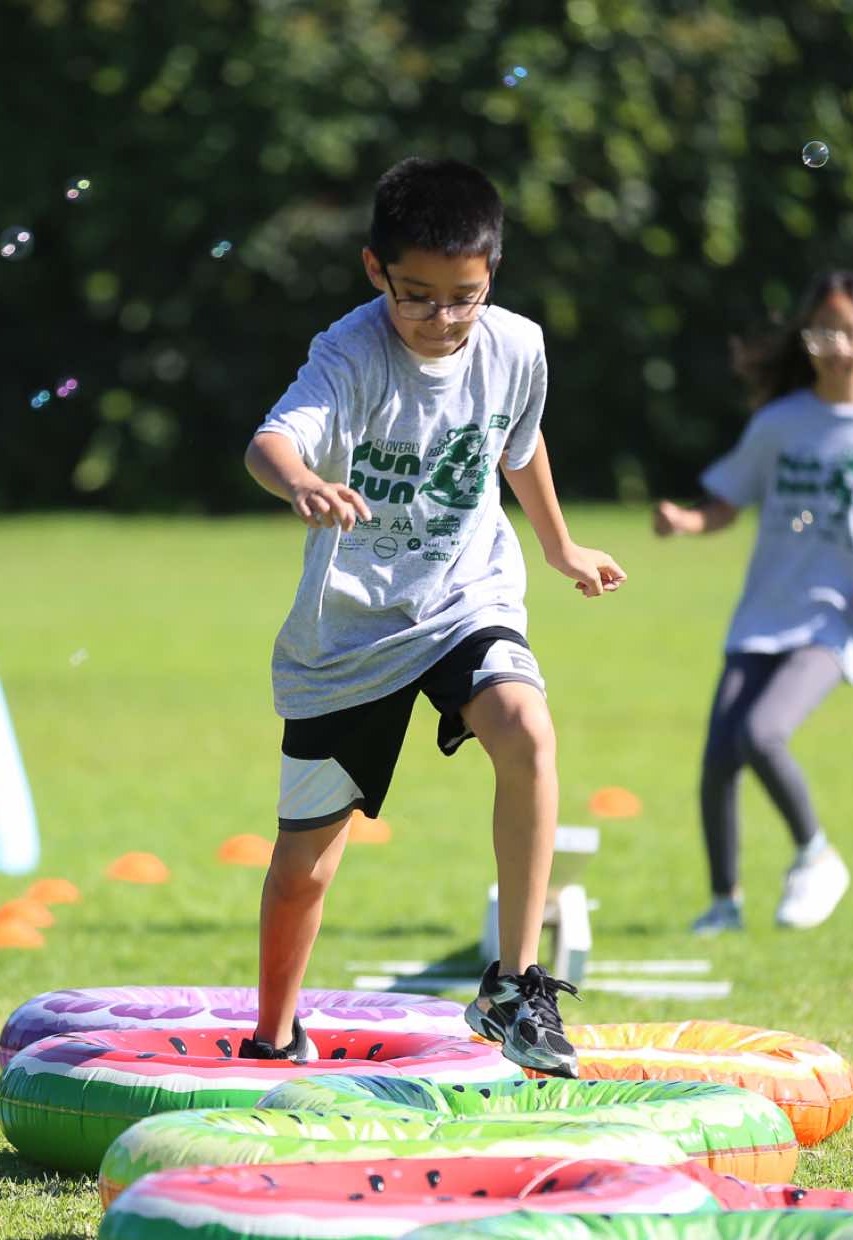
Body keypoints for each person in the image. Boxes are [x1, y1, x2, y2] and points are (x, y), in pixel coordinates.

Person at [241, 157, 626, 1075]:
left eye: (465, 298)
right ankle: (275, 1033)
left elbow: (517, 446)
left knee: (527, 728)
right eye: (417, 296)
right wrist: (300, 482)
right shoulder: (350, 353)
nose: (443, 319)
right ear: (376, 269)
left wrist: (560, 546)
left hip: (465, 596)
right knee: (304, 868)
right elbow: (271, 440)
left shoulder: (517, 346)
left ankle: (514, 986)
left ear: (492, 274)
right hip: (352, 631)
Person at [654, 269, 853, 935]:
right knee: (719, 756)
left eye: (849, 331)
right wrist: (686, 521)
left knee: (762, 733)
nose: (836, 345)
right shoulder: (778, 423)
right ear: (806, 340)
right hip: (764, 611)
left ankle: (816, 855)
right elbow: (729, 501)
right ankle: (725, 904)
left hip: (835, 615)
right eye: (823, 331)